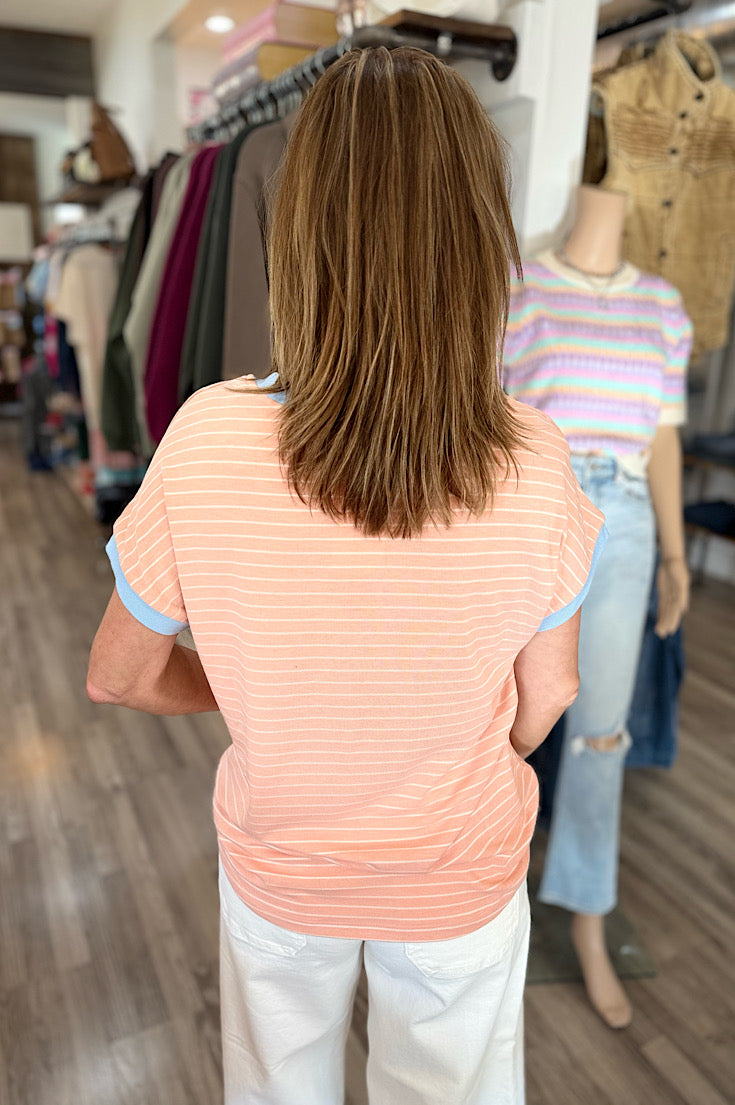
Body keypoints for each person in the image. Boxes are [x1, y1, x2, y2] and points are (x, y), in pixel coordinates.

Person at [87, 47, 606, 1105]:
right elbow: (549, 690)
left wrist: (266, 696)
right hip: (458, 873)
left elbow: (121, 674)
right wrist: (448, 739)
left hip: (280, 872)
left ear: (298, 228)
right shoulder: (537, 458)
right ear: (479, 237)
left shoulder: (207, 436)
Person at [503, 184, 691, 1029]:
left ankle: (586, 917)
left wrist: (675, 556)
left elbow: (662, 436)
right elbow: (487, 422)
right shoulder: (518, 287)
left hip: (624, 522)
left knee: (600, 729)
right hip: (531, 508)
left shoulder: (663, 307)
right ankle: (480, 893)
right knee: (493, 709)